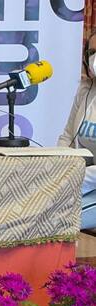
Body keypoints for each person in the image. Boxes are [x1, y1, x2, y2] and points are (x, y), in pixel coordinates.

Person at [58, 28, 96, 230]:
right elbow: (67, 136)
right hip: (81, 181)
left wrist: (72, 180)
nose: (95, 58)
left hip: (84, 181)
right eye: (92, 52)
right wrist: (58, 170)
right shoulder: (85, 90)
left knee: (59, 219)